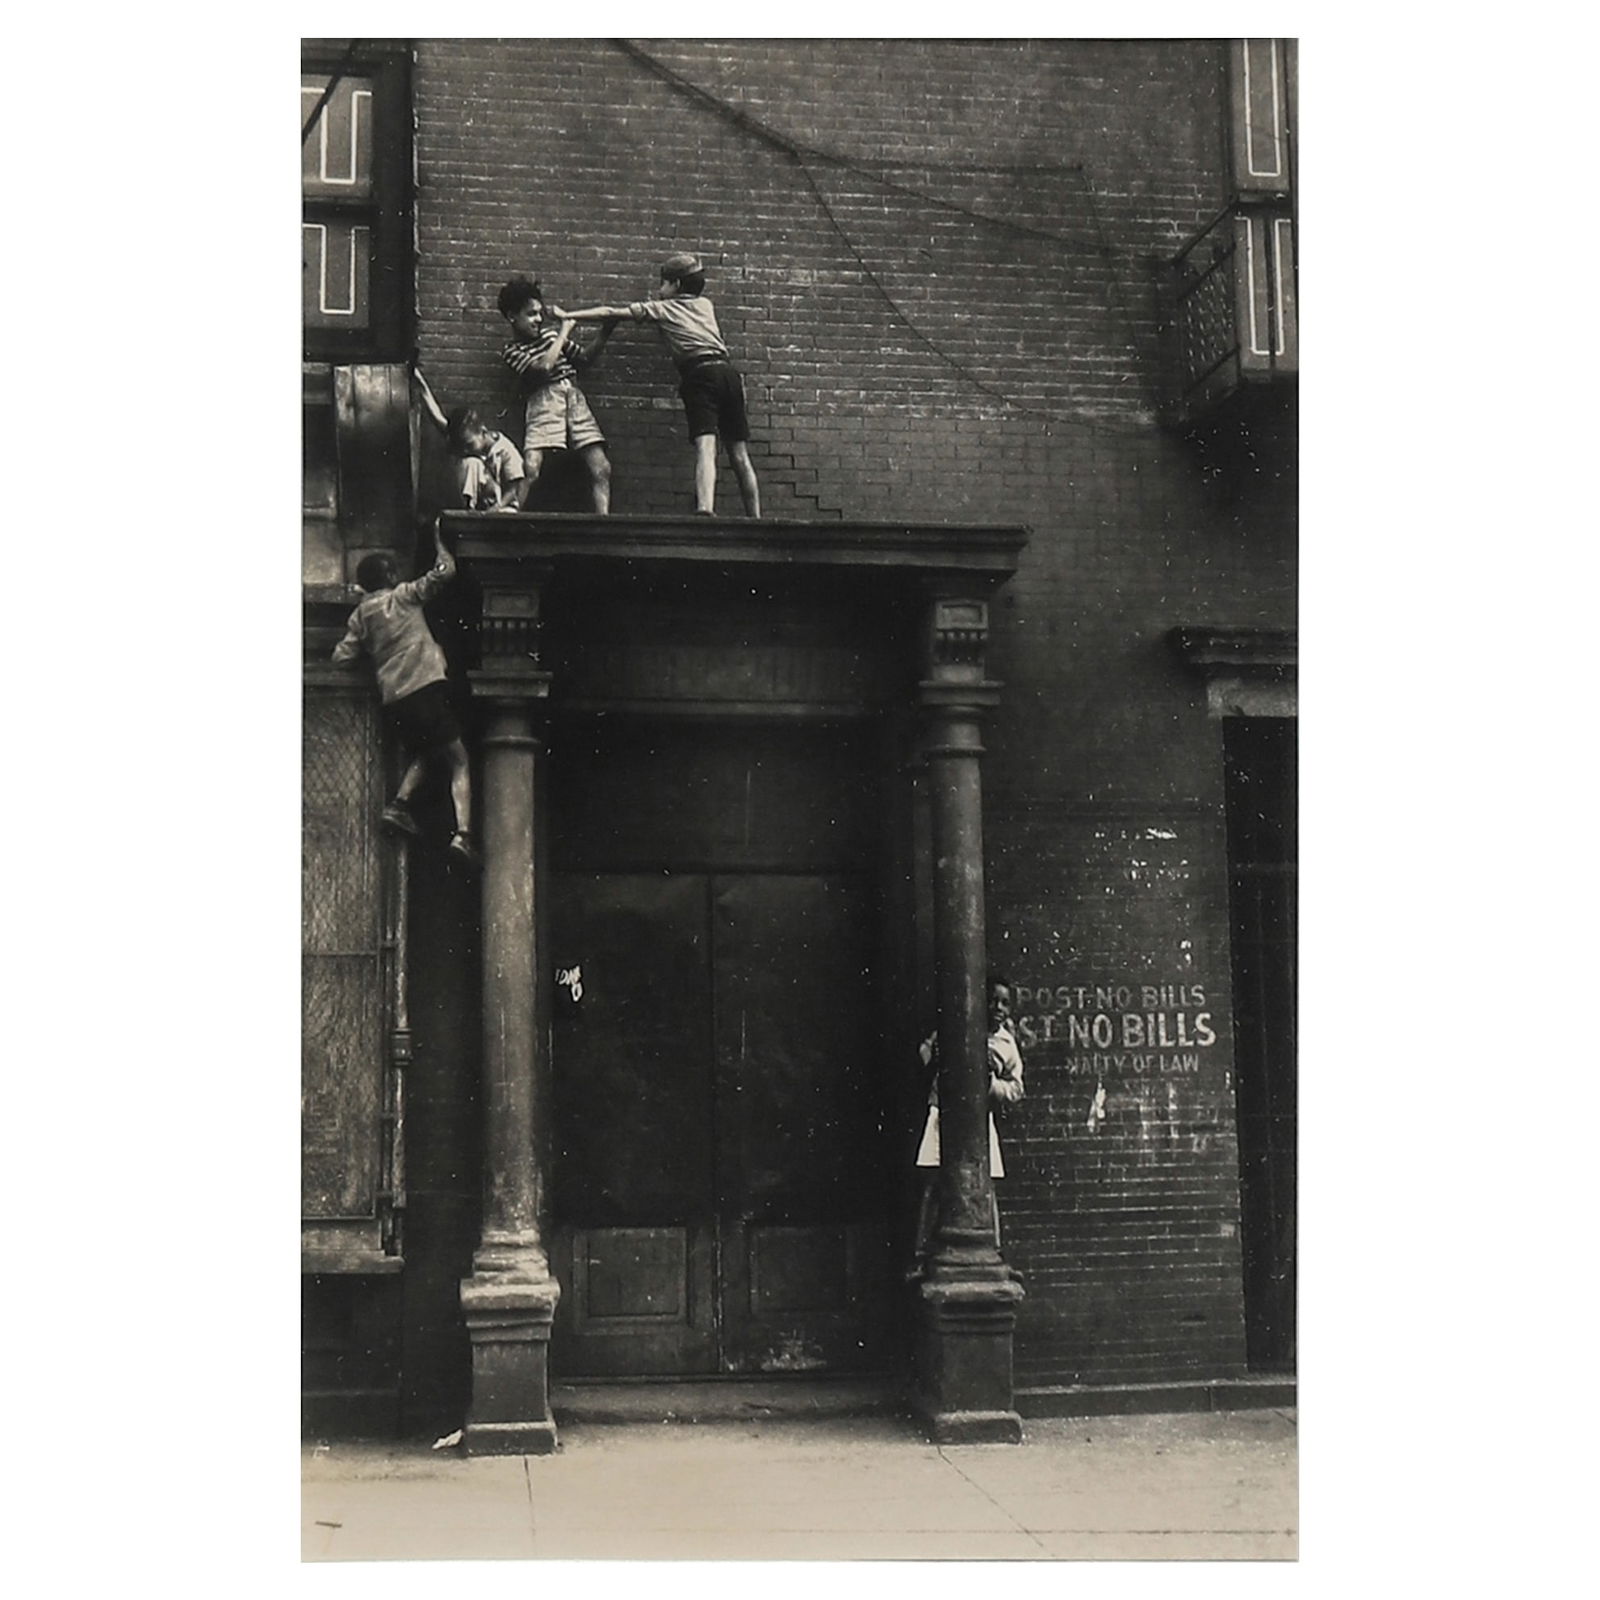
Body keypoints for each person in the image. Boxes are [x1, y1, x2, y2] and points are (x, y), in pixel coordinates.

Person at [554, 252, 761, 517]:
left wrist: (568, 314)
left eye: (663, 283)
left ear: (675, 285)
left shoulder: (662, 308)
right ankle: (755, 517)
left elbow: (610, 313)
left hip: (700, 375)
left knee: (706, 446)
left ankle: (705, 510)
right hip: (728, 373)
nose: (659, 289)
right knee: (739, 453)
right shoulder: (706, 305)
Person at [331, 522, 480, 868]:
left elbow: (342, 657)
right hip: (425, 688)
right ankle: (464, 835)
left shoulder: (361, 616)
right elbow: (445, 572)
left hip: (395, 700)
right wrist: (441, 542)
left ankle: (399, 805)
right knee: (459, 759)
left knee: (429, 753)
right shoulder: (404, 596)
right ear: (389, 576)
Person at [912, 976, 1025, 1271]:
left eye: (1004, 1002)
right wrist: (932, 1058)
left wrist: (991, 1084)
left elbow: (1016, 1089)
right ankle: (922, 1253)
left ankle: (994, 1251)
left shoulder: (1006, 1044)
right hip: (943, 1112)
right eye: (992, 1000)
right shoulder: (956, 1027)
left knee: (984, 1187)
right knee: (934, 1183)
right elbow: (924, 1051)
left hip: (977, 1121)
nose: (998, 1007)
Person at [497, 275, 614, 512]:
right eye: (531, 314)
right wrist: (563, 331)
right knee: (531, 467)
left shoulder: (550, 337)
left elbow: (583, 359)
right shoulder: (512, 350)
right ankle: (512, 516)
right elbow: (543, 368)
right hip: (543, 400)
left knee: (601, 467)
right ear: (512, 316)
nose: (538, 319)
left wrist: (605, 332)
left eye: (540, 313)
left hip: (574, 396)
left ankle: (604, 523)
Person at [411, 371, 524, 513]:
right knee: (470, 462)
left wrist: (496, 509)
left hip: (501, 508)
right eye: (463, 446)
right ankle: (468, 511)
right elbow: (436, 416)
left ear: (483, 431)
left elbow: (513, 490)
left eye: (469, 445)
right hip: (479, 507)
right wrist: (418, 377)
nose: (465, 450)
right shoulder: (464, 437)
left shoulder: (506, 450)